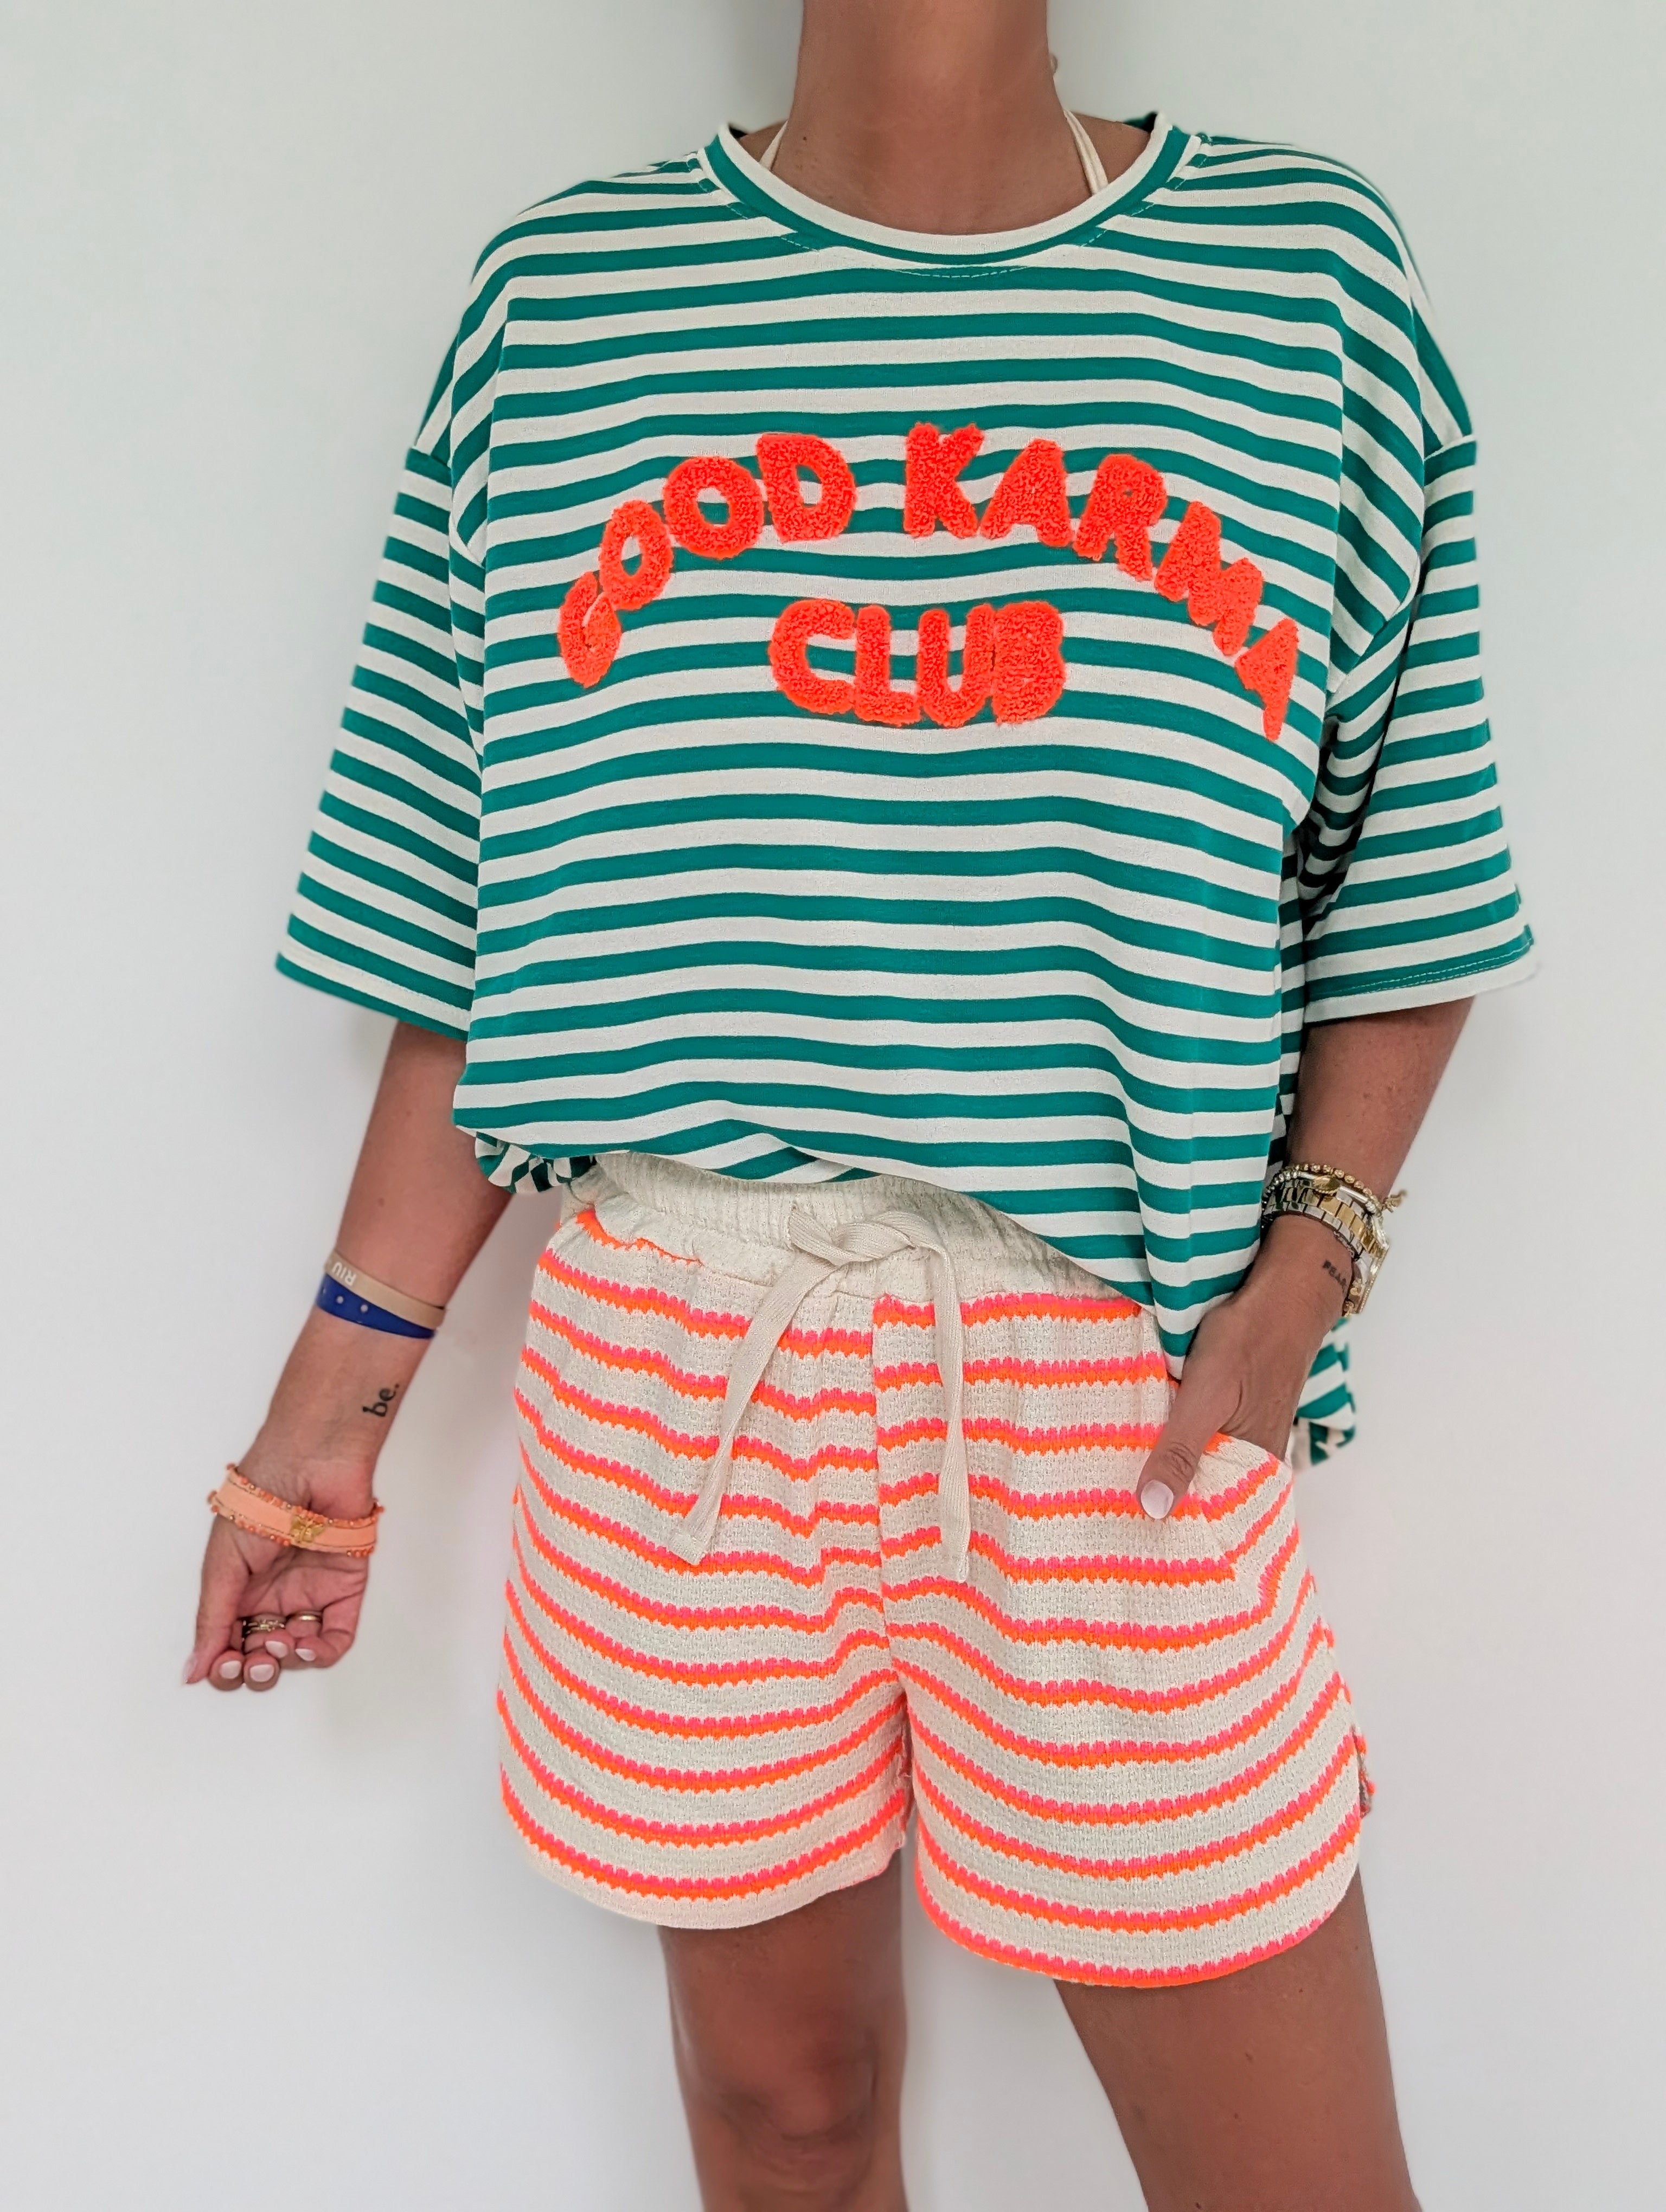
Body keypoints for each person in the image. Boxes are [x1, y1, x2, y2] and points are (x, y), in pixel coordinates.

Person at [185, 3, 1534, 2204]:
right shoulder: (568, 305)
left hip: (1114, 1390)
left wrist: (1310, 1273)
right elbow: (461, 925)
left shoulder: (1301, 282)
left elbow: (1410, 872)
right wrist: (322, 1419)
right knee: (780, 2117)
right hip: (674, 1371)